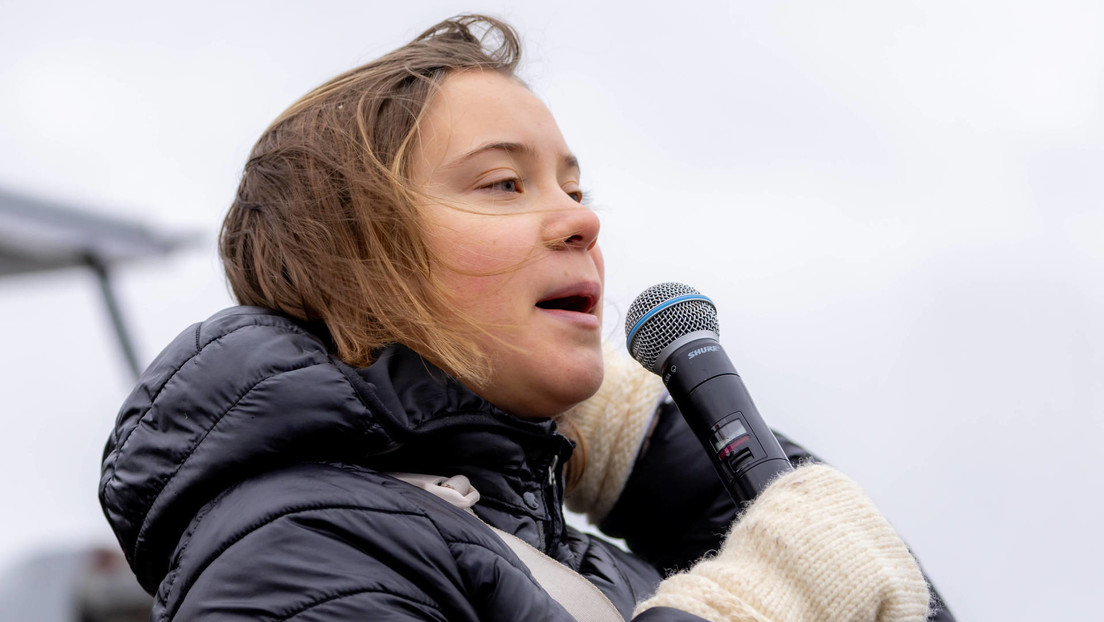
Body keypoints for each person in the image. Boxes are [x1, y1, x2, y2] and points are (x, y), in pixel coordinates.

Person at [98, 14, 953, 621]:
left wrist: (652, 442)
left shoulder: (605, 572)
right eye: (504, 184)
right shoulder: (296, 549)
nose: (581, 220)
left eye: (575, 189)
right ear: (357, 262)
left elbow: (883, 589)